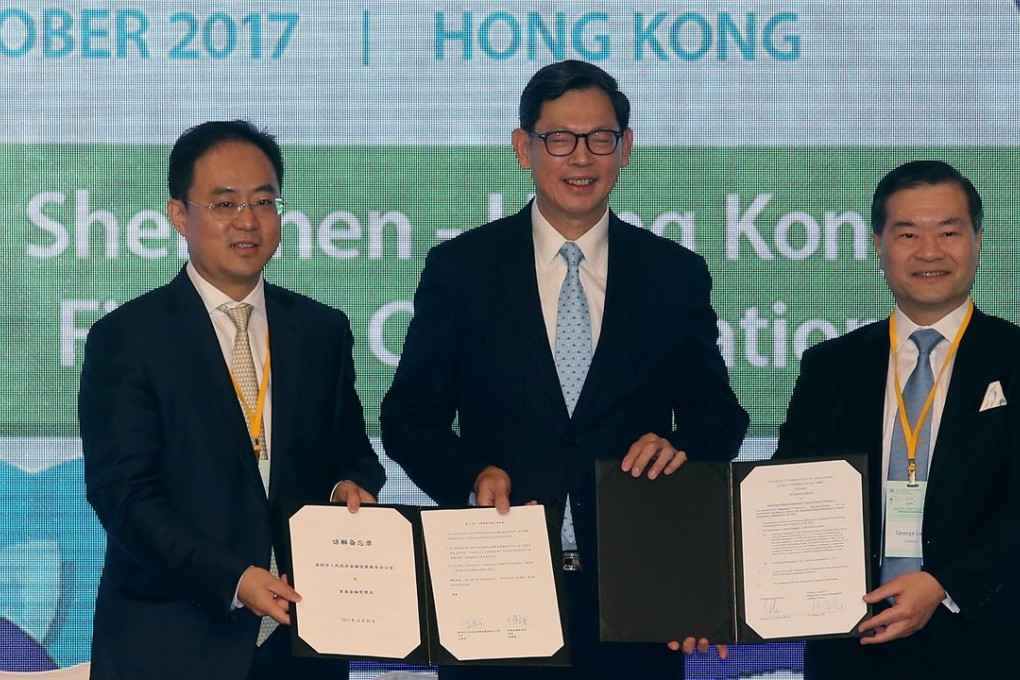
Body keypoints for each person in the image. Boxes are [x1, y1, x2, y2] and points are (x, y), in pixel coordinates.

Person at [380, 60, 748, 679]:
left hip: (637, 598)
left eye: (600, 138)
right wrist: (471, 478)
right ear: (524, 148)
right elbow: (409, 418)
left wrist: (680, 446)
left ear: (625, 149)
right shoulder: (462, 269)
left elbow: (719, 415)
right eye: (559, 139)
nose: (581, 157)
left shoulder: (672, 273)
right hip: (497, 589)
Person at [78, 120, 386, 680]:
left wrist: (349, 484)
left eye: (264, 201)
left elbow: (351, 451)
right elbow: (122, 494)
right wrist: (234, 578)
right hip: (171, 646)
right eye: (224, 204)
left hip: (302, 645)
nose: (248, 220)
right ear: (179, 215)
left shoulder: (321, 330)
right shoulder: (128, 338)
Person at [772, 160, 1020, 679]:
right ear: (878, 246)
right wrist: (732, 603)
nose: (929, 251)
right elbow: (787, 493)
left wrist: (943, 583)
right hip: (852, 643)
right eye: (908, 234)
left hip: (989, 641)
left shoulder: (1013, 357)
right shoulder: (830, 366)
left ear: (978, 240)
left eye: (948, 232)